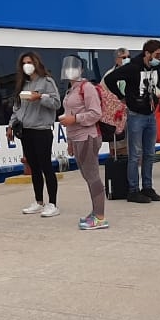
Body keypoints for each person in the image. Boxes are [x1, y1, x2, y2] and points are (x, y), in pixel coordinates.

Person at [105, 40, 160, 204]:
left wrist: (159, 94)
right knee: (135, 154)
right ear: (147, 53)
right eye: (156, 55)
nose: (159, 58)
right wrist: (122, 97)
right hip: (136, 115)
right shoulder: (133, 67)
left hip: (150, 115)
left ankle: (147, 187)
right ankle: (133, 190)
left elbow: (159, 82)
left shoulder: (154, 67)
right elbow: (110, 79)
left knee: (149, 153)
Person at [10, 52, 64, 216]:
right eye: (24, 63)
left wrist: (40, 97)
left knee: (46, 166)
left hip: (42, 130)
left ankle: (53, 203)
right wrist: (11, 125)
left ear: (36, 63)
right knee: (34, 167)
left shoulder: (47, 82)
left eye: (29, 62)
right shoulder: (23, 84)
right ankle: (39, 201)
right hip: (26, 131)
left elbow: (56, 103)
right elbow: (16, 108)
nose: (27, 65)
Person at [59, 56, 107, 230]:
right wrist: (70, 141)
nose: (70, 70)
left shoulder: (87, 88)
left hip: (88, 137)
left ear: (81, 70)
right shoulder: (71, 90)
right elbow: (68, 115)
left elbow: (96, 113)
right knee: (88, 175)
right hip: (77, 138)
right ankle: (95, 212)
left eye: (74, 67)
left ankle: (100, 216)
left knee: (92, 176)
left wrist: (75, 119)